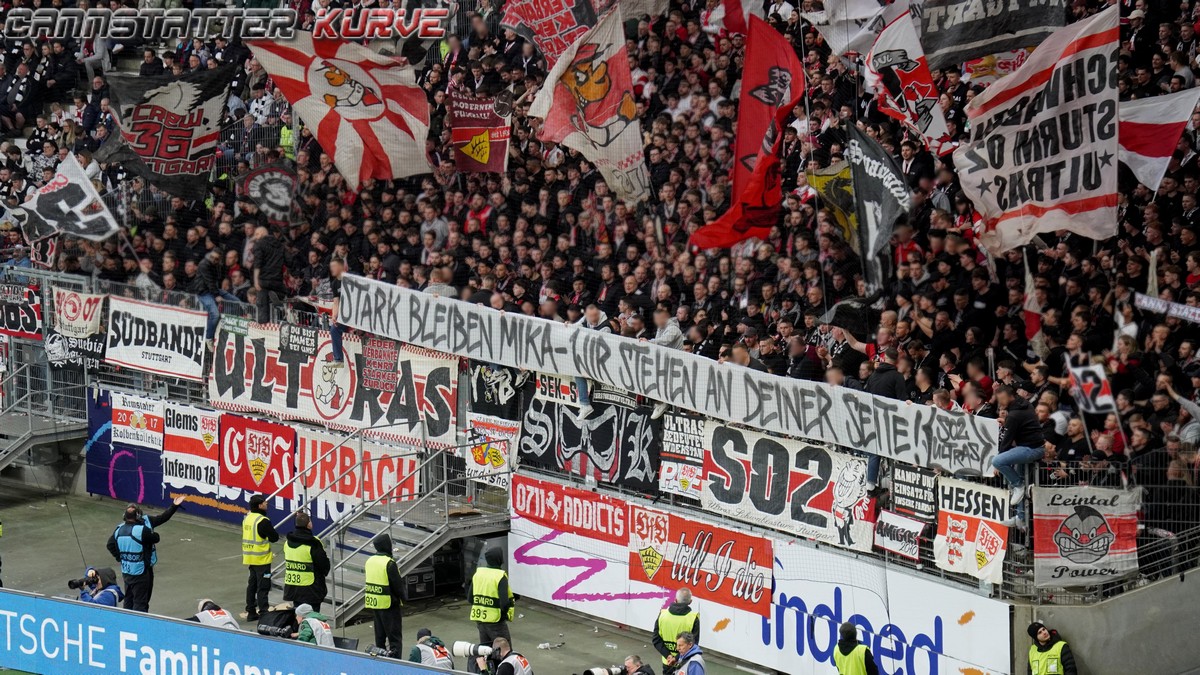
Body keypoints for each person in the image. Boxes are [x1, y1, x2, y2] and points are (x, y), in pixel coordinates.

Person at [106, 496, 184, 612]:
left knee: (129, 599)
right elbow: (156, 538)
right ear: (138, 515)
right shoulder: (141, 529)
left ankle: (127, 623)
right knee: (141, 602)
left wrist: (121, 557)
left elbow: (110, 545)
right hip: (142, 571)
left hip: (127, 571)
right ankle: (140, 626)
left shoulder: (119, 530)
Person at [991, 385, 1047, 505]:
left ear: (1010, 397)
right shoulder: (1024, 403)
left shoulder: (1014, 415)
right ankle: (1020, 518)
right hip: (1033, 446)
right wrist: (1006, 423)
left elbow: (1007, 440)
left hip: (1031, 448)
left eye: (1002, 399)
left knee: (997, 461)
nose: (999, 403)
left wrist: (998, 464)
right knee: (1022, 485)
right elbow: (1022, 425)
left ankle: (1018, 485)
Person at [365, 533, 405, 657]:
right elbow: (397, 586)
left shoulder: (369, 561)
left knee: (380, 637)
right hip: (389, 605)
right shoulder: (389, 563)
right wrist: (404, 598)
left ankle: (380, 660)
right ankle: (396, 663)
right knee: (394, 639)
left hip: (375, 603)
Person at [242, 494, 280, 621]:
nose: (267, 504)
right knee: (263, 586)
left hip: (250, 558)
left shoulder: (248, 518)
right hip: (262, 559)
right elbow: (274, 537)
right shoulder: (262, 521)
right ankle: (264, 612)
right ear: (259, 505)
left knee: (252, 585)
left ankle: (251, 611)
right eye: (264, 502)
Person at [283, 510, 330, 612]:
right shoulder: (314, 543)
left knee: (298, 616)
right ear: (309, 524)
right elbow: (323, 564)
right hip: (311, 588)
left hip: (293, 587)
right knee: (312, 618)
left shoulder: (287, 542)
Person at [470, 546, 515, 646]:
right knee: (505, 652)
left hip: (480, 620)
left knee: (486, 651)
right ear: (500, 559)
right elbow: (504, 603)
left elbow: (470, 599)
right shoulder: (500, 576)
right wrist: (503, 615)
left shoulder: (478, 573)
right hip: (496, 621)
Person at [652, 588, 699, 674]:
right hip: (685, 663)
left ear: (675, 599)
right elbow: (693, 644)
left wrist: (668, 656)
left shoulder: (662, 615)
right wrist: (676, 658)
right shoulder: (693, 618)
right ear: (690, 601)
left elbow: (656, 639)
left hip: (667, 661)